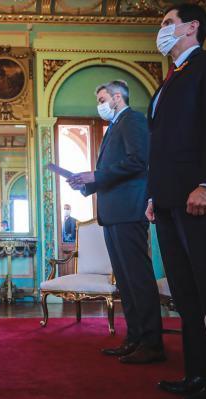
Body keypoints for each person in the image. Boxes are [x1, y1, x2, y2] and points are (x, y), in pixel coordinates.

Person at [145, 4, 206, 398]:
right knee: (185, 294)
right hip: (168, 202)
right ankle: (198, 376)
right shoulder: (166, 82)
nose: (162, 29)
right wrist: (154, 196)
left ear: (192, 27)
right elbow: (162, 148)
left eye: (168, 23)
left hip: (200, 196)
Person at [68, 80, 164, 364]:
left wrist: (96, 176)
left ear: (117, 97)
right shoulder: (114, 128)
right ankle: (134, 338)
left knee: (138, 279)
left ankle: (152, 344)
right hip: (112, 213)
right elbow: (109, 173)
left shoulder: (132, 120)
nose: (99, 105)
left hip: (129, 211)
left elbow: (138, 162)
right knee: (125, 281)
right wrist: (86, 184)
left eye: (101, 98)